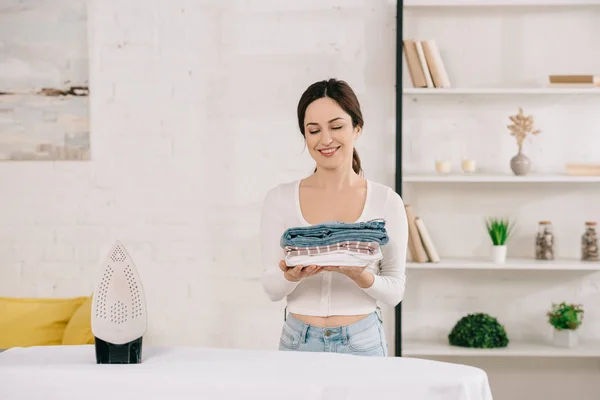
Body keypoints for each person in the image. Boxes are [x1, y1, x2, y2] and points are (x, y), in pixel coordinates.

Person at [260, 78, 408, 357]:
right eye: (313, 130)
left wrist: (361, 276)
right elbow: (271, 288)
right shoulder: (279, 199)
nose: (325, 139)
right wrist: (292, 277)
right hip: (297, 341)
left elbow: (395, 291)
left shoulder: (386, 201)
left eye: (336, 127)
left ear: (357, 128)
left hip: (362, 342)